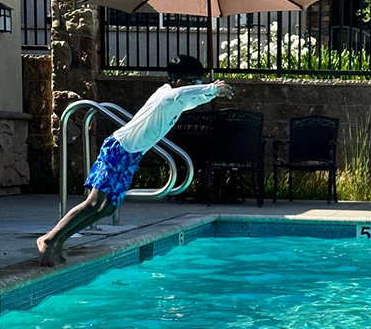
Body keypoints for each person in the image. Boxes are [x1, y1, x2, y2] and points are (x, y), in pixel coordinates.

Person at [37, 55, 234, 266]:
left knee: (108, 208)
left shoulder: (178, 101)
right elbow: (182, 94)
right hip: (118, 148)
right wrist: (212, 89)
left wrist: (209, 94)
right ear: (178, 81)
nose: (198, 86)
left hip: (131, 154)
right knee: (94, 202)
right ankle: (49, 239)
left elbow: (191, 98)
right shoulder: (166, 96)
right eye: (195, 81)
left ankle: (61, 239)